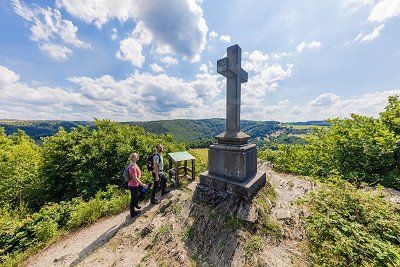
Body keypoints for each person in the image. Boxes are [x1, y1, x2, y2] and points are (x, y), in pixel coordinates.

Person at [127, 152, 148, 217]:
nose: (137, 156)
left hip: (135, 184)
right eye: (136, 156)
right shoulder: (132, 167)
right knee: (133, 198)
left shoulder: (133, 164)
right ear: (132, 158)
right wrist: (143, 185)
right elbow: (135, 178)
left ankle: (135, 204)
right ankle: (132, 213)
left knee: (141, 193)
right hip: (133, 185)